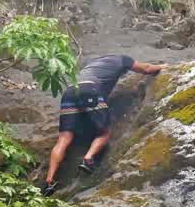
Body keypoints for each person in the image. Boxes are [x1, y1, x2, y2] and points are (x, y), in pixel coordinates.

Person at [42, 54, 165, 195]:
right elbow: (147, 68)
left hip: (70, 91)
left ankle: (49, 182)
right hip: (89, 89)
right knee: (104, 133)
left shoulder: (92, 63)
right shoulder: (122, 59)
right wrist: (164, 67)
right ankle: (88, 159)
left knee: (64, 138)